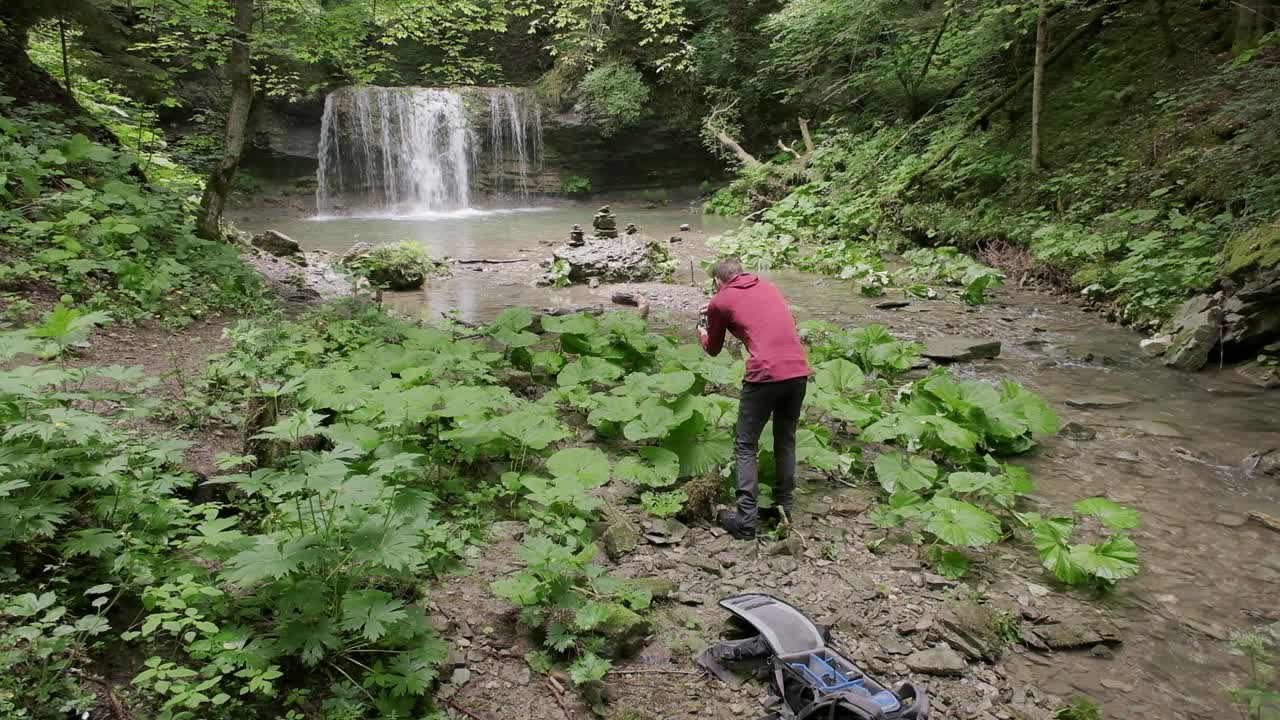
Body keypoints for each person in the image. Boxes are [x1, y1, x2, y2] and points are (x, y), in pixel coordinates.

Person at [699, 258, 811, 540]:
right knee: (785, 439)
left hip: (765, 373)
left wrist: (703, 328)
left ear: (717, 282)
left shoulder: (720, 301)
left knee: (746, 445)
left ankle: (745, 521)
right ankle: (783, 510)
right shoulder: (769, 287)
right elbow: (763, 318)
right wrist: (716, 310)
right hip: (798, 370)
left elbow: (712, 349)